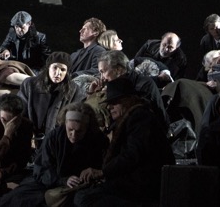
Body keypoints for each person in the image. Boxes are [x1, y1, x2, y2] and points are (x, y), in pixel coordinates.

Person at [72, 77, 175, 206]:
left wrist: (102, 172)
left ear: (128, 100)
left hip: (142, 184)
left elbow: (132, 155)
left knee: (84, 197)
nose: (109, 107)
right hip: (134, 180)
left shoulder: (140, 117)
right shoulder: (129, 118)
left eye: (114, 102)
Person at [0, 102, 109, 207]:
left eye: (79, 131)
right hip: (52, 181)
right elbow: (41, 168)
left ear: (87, 127)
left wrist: (94, 173)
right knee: (18, 198)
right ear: (65, 124)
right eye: (70, 129)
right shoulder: (54, 137)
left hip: (83, 185)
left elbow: (106, 168)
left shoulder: (99, 139)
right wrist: (63, 180)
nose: (73, 135)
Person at [85, 50, 167, 130]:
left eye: (103, 72)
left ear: (119, 70)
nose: (102, 78)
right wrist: (92, 93)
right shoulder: (114, 86)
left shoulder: (143, 85)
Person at [18, 51, 84, 141]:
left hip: (57, 140)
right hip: (29, 137)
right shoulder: (30, 84)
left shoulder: (74, 90)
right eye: (55, 67)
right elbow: (20, 111)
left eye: (62, 70)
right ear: (48, 67)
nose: (57, 73)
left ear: (67, 72)